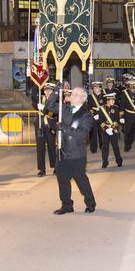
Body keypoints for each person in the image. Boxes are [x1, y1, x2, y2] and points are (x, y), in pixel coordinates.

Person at [54, 87, 96, 215]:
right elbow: (49, 106)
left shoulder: (86, 116)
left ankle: (90, 203)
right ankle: (67, 205)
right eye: (72, 94)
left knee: (81, 181)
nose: (72, 96)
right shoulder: (65, 109)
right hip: (62, 151)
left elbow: (81, 134)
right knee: (62, 180)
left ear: (83, 99)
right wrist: (57, 91)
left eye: (76, 95)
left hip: (77, 154)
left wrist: (65, 129)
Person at [34, 83, 59, 176]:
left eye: (49, 90)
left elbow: (54, 115)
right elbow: (33, 95)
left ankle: (55, 167)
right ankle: (42, 169)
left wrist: (44, 109)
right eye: (45, 90)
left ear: (53, 91)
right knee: (40, 148)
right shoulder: (41, 99)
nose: (47, 92)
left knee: (52, 146)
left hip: (50, 126)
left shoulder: (56, 101)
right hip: (40, 126)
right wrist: (36, 83)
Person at [98, 92, 123, 169]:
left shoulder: (115, 108)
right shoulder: (102, 109)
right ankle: (105, 162)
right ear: (107, 101)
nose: (114, 102)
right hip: (105, 131)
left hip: (113, 130)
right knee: (105, 147)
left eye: (114, 100)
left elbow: (117, 120)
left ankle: (119, 161)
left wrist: (111, 127)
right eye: (112, 100)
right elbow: (101, 121)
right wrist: (106, 128)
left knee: (115, 146)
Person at [87, 81, 104, 154]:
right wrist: (94, 115)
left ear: (100, 88)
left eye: (97, 87)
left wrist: (100, 114)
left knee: (102, 133)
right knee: (93, 133)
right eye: (94, 88)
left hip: (102, 116)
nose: (96, 89)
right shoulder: (90, 97)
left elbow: (106, 107)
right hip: (93, 117)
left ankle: (102, 146)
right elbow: (89, 107)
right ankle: (93, 148)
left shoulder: (104, 96)